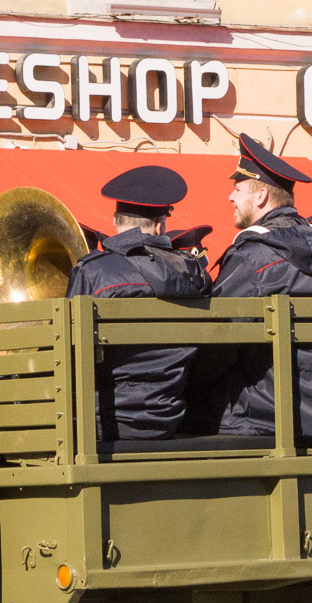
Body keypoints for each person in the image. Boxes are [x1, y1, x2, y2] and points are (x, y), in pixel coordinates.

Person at [203, 135, 312, 445]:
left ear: (260, 196)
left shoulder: (252, 257)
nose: (230, 198)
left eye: (237, 189)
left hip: (271, 416)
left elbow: (215, 345)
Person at [64, 165, 210, 440]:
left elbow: (68, 357)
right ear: (159, 224)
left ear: (117, 221)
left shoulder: (94, 271)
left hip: (102, 422)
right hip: (169, 417)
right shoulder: (196, 273)